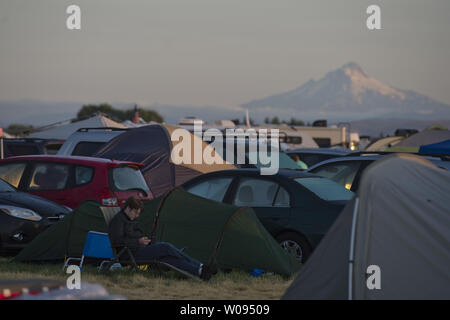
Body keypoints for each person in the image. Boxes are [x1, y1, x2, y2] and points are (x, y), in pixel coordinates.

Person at [108, 196, 216, 281]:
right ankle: (201, 265)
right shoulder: (118, 221)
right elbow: (117, 241)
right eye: (135, 212)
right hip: (129, 254)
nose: (136, 216)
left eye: (138, 214)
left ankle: (199, 271)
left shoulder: (130, 219)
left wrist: (143, 239)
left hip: (138, 249)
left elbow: (136, 233)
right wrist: (138, 241)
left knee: (168, 258)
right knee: (165, 247)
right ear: (128, 208)